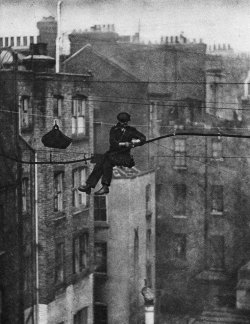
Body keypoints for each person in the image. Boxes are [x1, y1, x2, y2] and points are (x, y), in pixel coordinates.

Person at [78, 112, 146, 195]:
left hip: (124, 157)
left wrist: (134, 142)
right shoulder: (114, 129)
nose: (124, 124)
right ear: (119, 121)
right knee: (101, 162)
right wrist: (125, 144)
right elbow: (113, 143)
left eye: (126, 122)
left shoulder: (131, 130)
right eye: (123, 122)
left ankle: (95, 186)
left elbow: (143, 138)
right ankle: (95, 186)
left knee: (107, 161)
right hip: (112, 154)